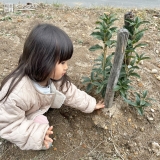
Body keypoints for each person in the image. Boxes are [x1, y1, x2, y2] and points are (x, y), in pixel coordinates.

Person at [0, 23, 105, 150]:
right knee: (42, 124)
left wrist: (91, 104)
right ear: (43, 61)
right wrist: (38, 135)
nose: (66, 67)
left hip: (37, 108)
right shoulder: (17, 93)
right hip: (22, 118)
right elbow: (8, 126)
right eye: (62, 62)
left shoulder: (52, 77)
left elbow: (70, 92)